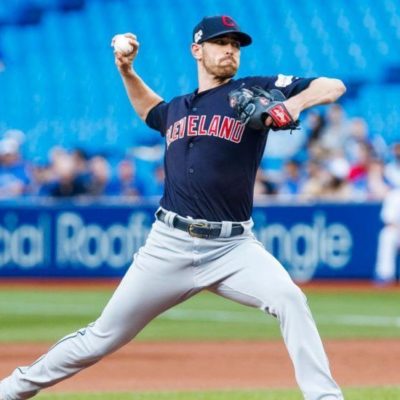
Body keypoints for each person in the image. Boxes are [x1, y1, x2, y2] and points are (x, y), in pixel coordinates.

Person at [0, 15, 346, 400]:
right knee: (100, 337)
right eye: (221, 43)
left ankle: (324, 397)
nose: (230, 49)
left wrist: (293, 104)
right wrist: (127, 70)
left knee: (290, 299)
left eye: (235, 44)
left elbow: (333, 86)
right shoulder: (178, 109)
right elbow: (151, 109)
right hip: (169, 245)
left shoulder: (254, 88)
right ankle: (11, 390)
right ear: (197, 50)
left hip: (233, 247)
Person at [374, 188, 400, 285]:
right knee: (387, 234)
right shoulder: (395, 195)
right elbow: (388, 221)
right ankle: (385, 275)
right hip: (396, 231)